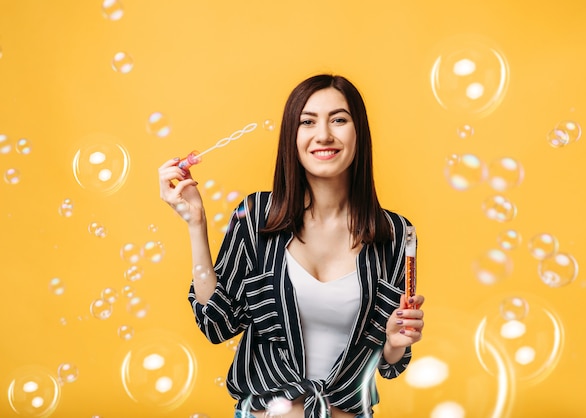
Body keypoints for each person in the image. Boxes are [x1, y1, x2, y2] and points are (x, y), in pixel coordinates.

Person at [158, 74, 425, 418]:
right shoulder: (257, 217)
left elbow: (390, 362)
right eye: (308, 122)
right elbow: (217, 324)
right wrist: (196, 224)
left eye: (339, 120)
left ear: (359, 133)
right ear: (292, 137)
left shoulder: (395, 233)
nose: (324, 135)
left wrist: (394, 342)